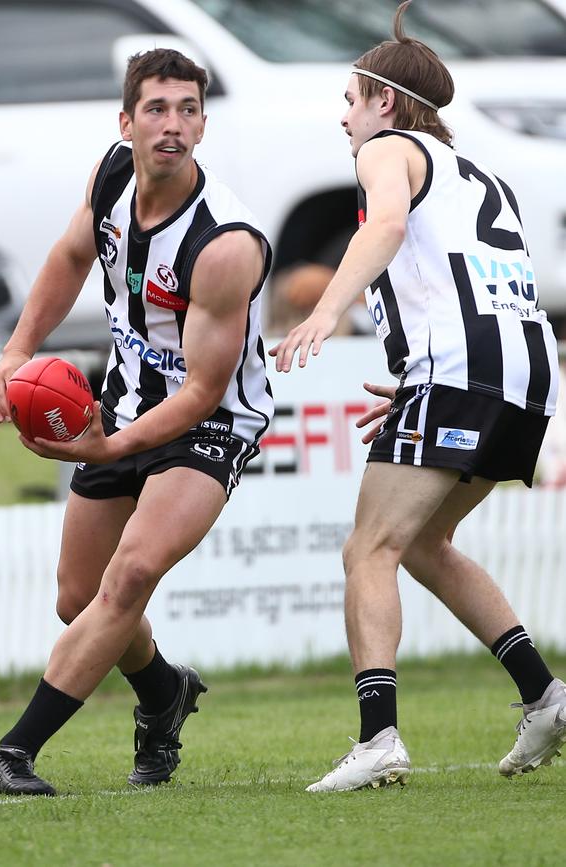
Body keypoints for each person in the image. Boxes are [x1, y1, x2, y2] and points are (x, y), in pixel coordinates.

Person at [271, 0, 565, 792]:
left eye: (350, 100)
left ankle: (378, 738)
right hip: (525, 373)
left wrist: (325, 311)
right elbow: (468, 280)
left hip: (462, 369)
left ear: (387, 103)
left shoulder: (389, 150)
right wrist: (414, 377)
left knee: (368, 548)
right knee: (426, 543)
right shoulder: (480, 173)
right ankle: (544, 693)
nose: (344, 119)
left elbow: (388, 228)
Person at [0, 48, 273, 795]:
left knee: (131, 575)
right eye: (156, 109)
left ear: (204, 124)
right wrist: (16, 352)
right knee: (79, 600)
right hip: (126, 402)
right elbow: (71, 255)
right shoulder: (111, 173)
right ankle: (164, 692)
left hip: (211, 423)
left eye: (187, 110)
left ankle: (15, 751)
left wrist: (107, 441)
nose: (172, 126)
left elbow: (204, 390)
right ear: (127, 121)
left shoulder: (225, 241)